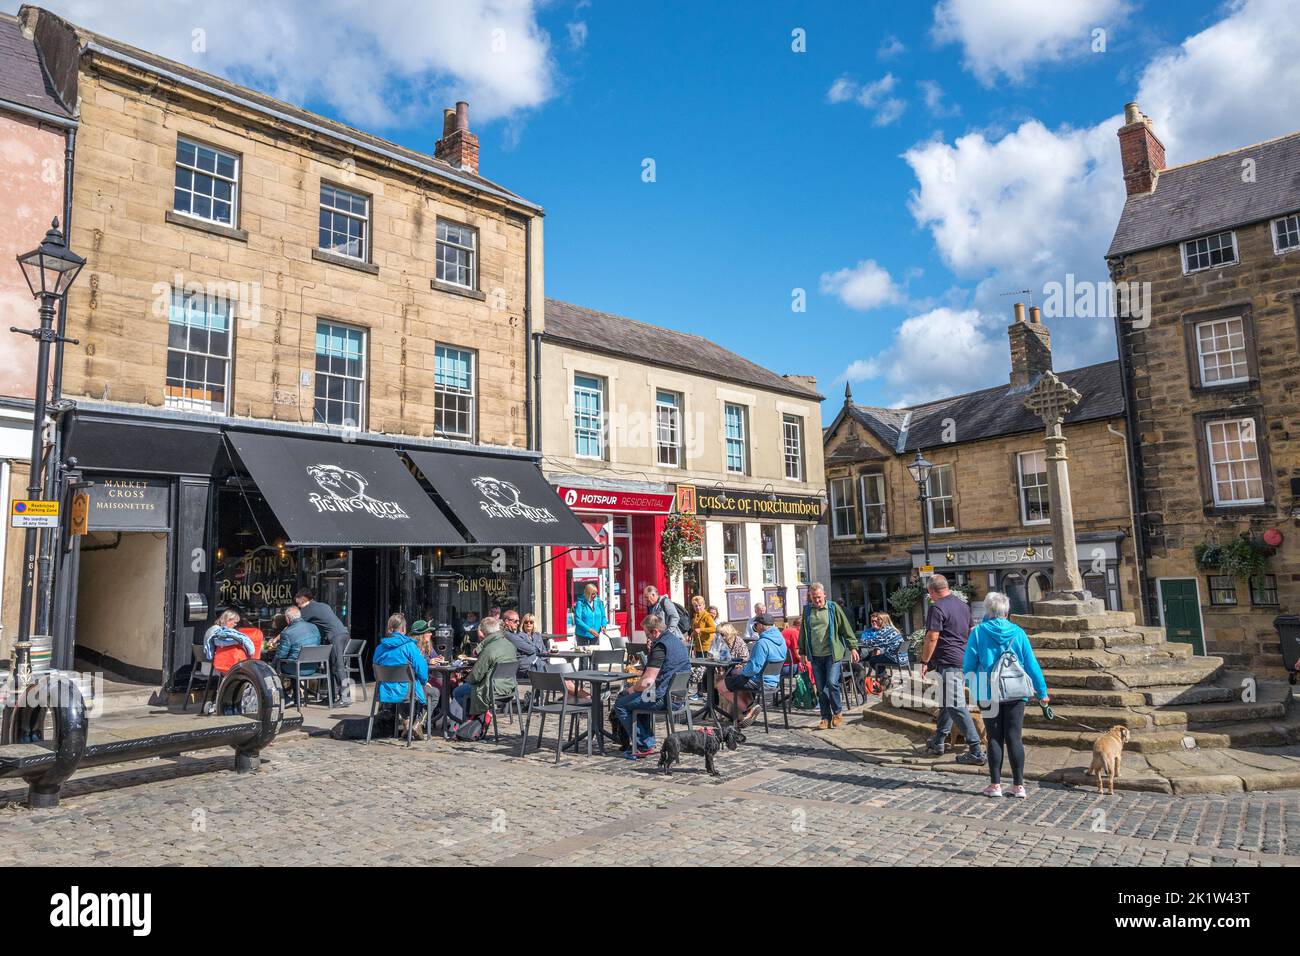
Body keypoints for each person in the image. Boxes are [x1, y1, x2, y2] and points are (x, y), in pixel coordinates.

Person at [962, 591, 1048, 798]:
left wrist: (974, 688)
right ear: (1007, 611)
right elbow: (1031, 664)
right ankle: (1018, 786)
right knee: (1014, 737)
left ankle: (995, 785)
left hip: (987, 692)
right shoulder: (1018, 632)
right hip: (1016, 691)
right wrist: (1042, 691)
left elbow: (969, 666)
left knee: (994, 738)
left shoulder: (978, 632)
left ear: (988, 610)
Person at [920, 574, 986, 765]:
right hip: (962, 659)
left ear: (932, 591)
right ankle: (939, 742)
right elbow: (971, 631)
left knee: (955, 704)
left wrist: (924, 662)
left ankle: (975, 750)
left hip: (949, 661)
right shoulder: (963, 606)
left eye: (929, 593)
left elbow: (932, 637)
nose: (930, 596)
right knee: (947, 703)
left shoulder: (937, 607)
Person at [612, 613, 690, 758]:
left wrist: (630, 689)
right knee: (639, 699)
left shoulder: (660, 646)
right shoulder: (676, 641)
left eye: (648, 634)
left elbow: (648, 681)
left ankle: (643, 745)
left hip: (664, 699)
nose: (647, 638)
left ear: (655, 632)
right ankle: (645, 741)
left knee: (621, 704)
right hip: (679, 697)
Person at [797, 583, 859, 730]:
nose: (817, 601)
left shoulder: (833, 608)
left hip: (832, 653)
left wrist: (853, 647)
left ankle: (837, 711)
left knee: (831, 683)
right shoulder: (807, 611)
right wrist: (803, 653)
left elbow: (845, 628)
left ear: (824, 595)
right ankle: (825, 717)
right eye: (814, 598)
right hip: (816, 655)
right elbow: (803, 633)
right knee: (820, 688)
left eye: (818, 597)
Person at [715, 613, 785, 724]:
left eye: (756, 625)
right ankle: (746, 710)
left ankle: (749, 708)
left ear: (761, 626)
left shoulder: (762, 643)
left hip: (760, 681)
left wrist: (741, 671)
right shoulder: (781, 640)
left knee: (721, 685)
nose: (755, 627)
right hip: (774, 680)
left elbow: (754, 668)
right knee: (736, 679)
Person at [373, 613, 429, 739]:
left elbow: (375, 672)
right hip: (406, 692)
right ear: (403, 629)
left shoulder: (380, 648)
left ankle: (407, 724)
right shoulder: (409, 646)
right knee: (429, 693)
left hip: (385, 691)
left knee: (409, 690)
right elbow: (422, 670)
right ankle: (415, 724)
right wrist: (424, 681)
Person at [452, 617, 518, 725]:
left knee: (458, 692)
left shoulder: (489, 649)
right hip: (509, 687)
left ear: (483, 632)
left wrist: (465, 678)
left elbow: (476, 677)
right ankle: (477, 718)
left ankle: (473, 721)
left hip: (491, 689)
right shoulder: (509, 645)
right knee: (467, 689)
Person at [294, 588, 352, 706]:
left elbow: (294, 625)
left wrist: (275, 639)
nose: (298, 606)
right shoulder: (323, 605)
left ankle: (346, 698)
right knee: (331, 666)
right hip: (343, 634)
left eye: (298, 603)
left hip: (335, 636)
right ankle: (331, 696)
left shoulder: (307, 609)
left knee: (338, 666)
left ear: (303, 600)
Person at [270, 605, 322, 703]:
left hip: (297, 668)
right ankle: (297, 696)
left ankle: (285, 697)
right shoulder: (314, 627)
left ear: (287, 618)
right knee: (293, 661)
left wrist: (271, 667)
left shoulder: (287, 632)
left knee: (277, 667)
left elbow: (281, 655)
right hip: (312, 668)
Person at [860, 611, 908, 683]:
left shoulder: (884, 632)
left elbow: (870, 643)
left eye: (878, 620)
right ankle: (884, 677)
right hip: (904, 658)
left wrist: (864, 641)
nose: (876, 621)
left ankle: (885, 678)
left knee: (872, 660)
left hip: (895, 658)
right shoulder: (892, 630)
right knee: (878, 657)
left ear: (883, 621)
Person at [503, 609, 548, 678]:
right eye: (515, 621)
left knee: (560, 675)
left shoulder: (537, 635)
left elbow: (543, 651)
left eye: (531, 622)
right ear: (507, 622)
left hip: (537, 663)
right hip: (527, 667)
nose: (518, 623)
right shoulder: (510, 635)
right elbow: (531, 649)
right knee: (561, 679)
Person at [573, 583, 608, 648]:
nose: (595, 596)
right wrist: (589, 630)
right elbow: (577, 620)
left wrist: (604, 626)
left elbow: (603, 616)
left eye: (596, 593)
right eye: (593, 594)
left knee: (595, 656)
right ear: (587, 593)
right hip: (582, 634)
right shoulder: (580, 603)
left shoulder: (599, 602)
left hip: (595, 634)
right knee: (584, 657)